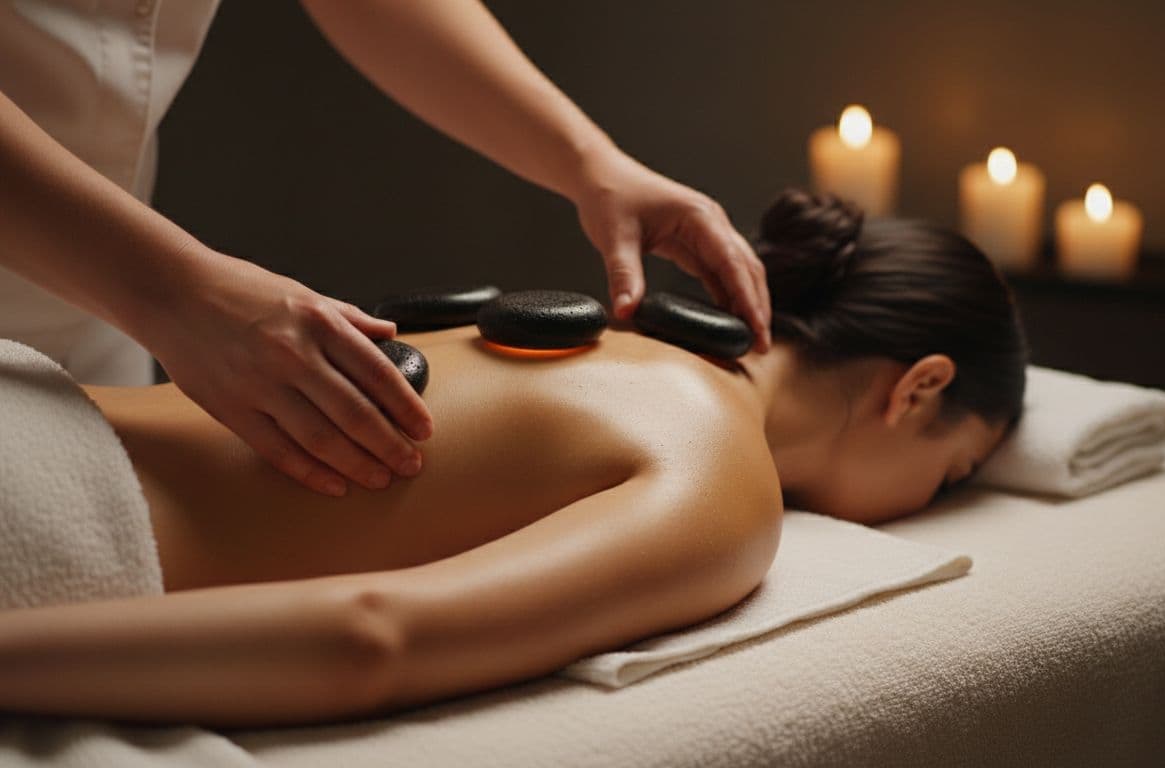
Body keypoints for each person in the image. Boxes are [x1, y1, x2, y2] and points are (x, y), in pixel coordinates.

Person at [0, 190, 1028, 727]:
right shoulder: (724, 483)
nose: (929, 503)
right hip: (42, 518)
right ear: (919, 388)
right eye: (953, 475)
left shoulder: (582, 330)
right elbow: (371, 638)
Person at [0, 0, 771, 499]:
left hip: (96, 321)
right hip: (126, 282)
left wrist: (590, 163)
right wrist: (173, 293)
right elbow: (369, 638)